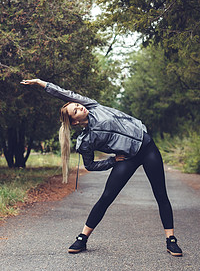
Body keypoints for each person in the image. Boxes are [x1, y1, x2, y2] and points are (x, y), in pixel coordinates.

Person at [20, 78, 183, 257]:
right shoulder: (86, 141)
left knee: (161, 194)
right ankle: (82, 238)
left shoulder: (93, 106)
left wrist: (41, 83)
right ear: (74, 122)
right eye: (76, 110)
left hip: (147, 147)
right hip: (127, 158)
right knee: (106, 197)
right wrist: (112, 161)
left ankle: (171, 240)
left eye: (77, 105)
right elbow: (89, 165)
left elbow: (63, 92)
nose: (80, 107)